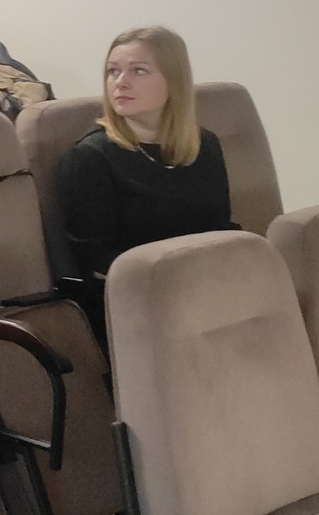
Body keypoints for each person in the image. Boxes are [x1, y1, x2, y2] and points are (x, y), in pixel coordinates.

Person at [56, 26, 232, 335]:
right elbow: (97, 261)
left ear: (174, 80)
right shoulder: (91, 156)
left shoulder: (204, 144)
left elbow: (219, 227)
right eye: (113, 71)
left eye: (138, 70)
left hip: (207, 287)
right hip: (138, 304)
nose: (121, 82)